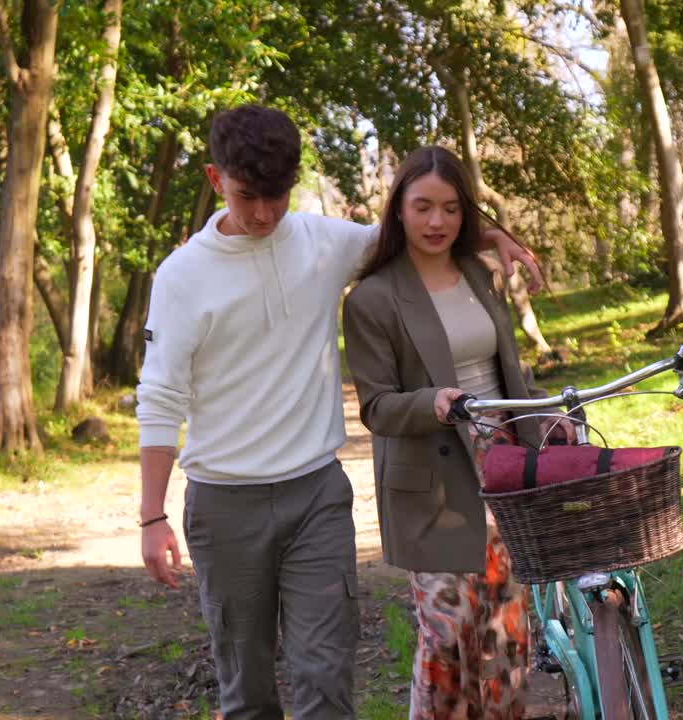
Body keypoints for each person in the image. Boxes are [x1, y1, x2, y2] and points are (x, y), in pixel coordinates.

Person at [136, 107, 540, 720]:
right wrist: (151, 515)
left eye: (277, 195)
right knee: (247, 690)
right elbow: (160, 396)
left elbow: (418, 228)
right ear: (216, 180)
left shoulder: (323, 242)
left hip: (316, 497)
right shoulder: (181, 276)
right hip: (225, 504)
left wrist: (491, 234)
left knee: (325, 677)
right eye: (248, 197)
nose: (265, 214)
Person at [342, 145, 570, 720]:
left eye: (450, 208)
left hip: (504, 467)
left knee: (504, 633)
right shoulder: (372, 298)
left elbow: (506, 371)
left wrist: (543, 420)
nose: (436, 221)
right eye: (422, 207)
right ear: (398, 210)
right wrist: (433, 402)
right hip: (433, 478)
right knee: (447, 634)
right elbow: (376, 406)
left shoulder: (478, 273)